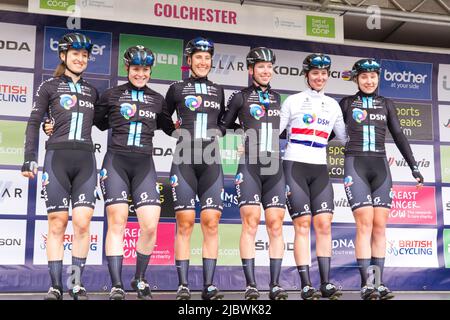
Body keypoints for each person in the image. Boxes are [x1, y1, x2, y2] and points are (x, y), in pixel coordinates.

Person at [22, 32, 98, 300]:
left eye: (85, 55)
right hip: (57, 158)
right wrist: (29, 156)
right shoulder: (49, 87)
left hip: (86, 161)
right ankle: (55, 285)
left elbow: (110, 119)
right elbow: (34, 122)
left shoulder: (92, 90)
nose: (80, 59)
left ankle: (76, 284)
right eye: (75, 54)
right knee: (57, 222)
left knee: (82, 222)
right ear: (64, 56)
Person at [340, 58, 424, 300]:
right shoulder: (346, 103)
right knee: (364, 224)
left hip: (380, 168)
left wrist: (414, 167)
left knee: (379, 227)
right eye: (364, 76)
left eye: (373, 76)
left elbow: (399, 135)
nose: (369, 81)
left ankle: (378, 283)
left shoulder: (387, 103)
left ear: (378, 78)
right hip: (355, 165)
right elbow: (325, 131)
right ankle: (366, 284)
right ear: (356, 78)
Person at [93, 46, 165, 300]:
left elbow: (170, 126)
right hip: (116, 163)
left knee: (150, 225)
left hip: (144, 165)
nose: (140, 74)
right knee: (118, 221)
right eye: (136, 69)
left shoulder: (157, 99)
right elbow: (96, 121)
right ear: (127, 69)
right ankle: (116, 284)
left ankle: (139, 278)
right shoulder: (111, 95)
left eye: (145, 70)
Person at [158, 37, 226, 300]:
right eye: (198, 57)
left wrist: (218, 131)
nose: (203, 62)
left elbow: (223, 122)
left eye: (207, 58)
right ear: (189, 61)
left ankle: (209, 285)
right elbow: (163, 118)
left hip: (211, 161)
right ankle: (183, 285)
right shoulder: (176, 88)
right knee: (185, 223)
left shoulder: (218, 90)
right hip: (184, 159)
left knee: (211, 222)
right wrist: (172, 129)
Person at [219, 47, 288, 300]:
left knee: (276, 225)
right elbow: (223, 125)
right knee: (250, 224)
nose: (266, 71)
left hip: (275, 167)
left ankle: (276, 284)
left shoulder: (280, 98)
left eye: (269, 66)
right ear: (251, 70)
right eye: (261, 66)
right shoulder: (240, 97)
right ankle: (250, 285)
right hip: (249, 164)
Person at [279, 53, 346, 300]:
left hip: (320, 167)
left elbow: (346, 137)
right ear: (307, 75)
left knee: (324, 225)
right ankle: (306, 284)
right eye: (315, 73)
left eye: (324, 73)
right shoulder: (293, 101)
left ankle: (326, 283)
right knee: (302, 225)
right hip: (294, 164)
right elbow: (273, 131)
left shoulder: (334, 105)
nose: (320, 77)